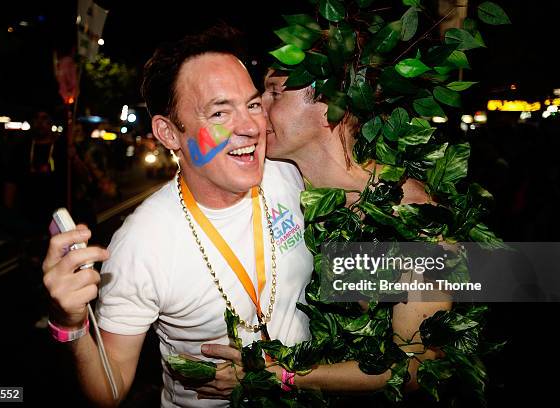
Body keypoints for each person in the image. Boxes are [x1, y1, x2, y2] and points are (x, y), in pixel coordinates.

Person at [41, 26, 313, 408]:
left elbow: (361, 269)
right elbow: (109, 389)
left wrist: (419, 287)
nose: (251, 127)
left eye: (252, 104)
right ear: (169, 133)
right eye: (220, 112)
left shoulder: (290, 174)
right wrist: (69, 325)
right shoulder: (142, 244)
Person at [195, 71, 452, 396]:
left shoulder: (413, 221)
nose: (259, 104)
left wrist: (284, 376)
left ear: (330, 105)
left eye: (274, 92)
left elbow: (413, 367)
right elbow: (192, 154)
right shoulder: (280, 174)